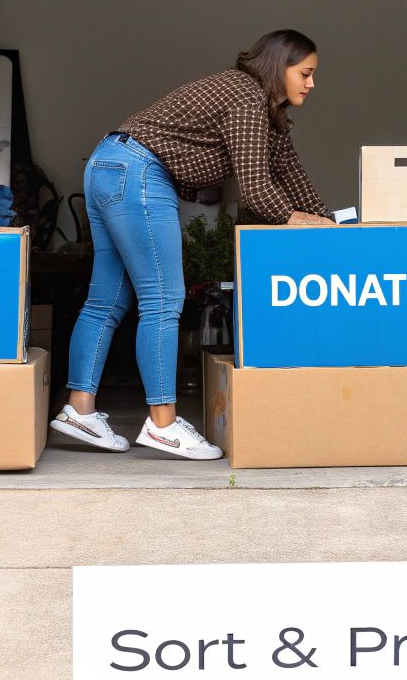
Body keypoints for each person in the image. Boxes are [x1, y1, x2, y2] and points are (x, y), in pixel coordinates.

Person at [52, 29, 333, 460]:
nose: (312, 84)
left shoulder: (266, 114)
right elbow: (258, 191)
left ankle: (79, 410)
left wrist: (332, 221)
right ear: (280, 68)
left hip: (108, 163)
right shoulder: (246, 98)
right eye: (306, 73)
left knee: (105, 300)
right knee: (163, 299)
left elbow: (291, 176)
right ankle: (163, 425)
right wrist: (310, 224)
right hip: (140, 174)